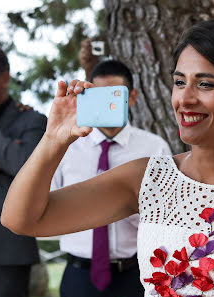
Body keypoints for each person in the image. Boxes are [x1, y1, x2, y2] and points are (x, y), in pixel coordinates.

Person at [1, 19, 214, 297]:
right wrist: (54, 140)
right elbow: (22, 219)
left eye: (205, 84)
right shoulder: (148, 179)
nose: (185, 98)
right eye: (179, 82)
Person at [52, 60, 172, 297]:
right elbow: (45, 203)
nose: (107, 103)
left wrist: (130, 208)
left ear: (133, 97)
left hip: (133, 274)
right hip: (78, 275)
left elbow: (166, 216)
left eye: (114, 95)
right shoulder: (66, 146)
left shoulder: (154, 148)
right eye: (98, 95)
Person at [0, 44, 47, 297]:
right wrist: (1, 157)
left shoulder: (32, 121)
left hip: (6, 251)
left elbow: (23, 166)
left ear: (5, 77)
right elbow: (13, 158)